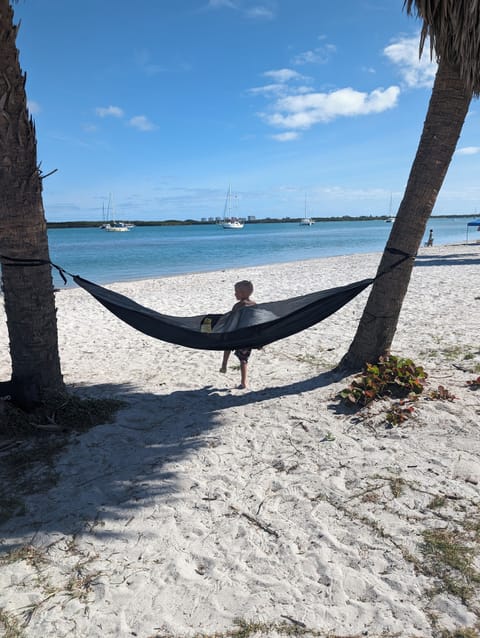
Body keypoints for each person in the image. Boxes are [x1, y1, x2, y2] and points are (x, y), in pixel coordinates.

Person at [219, 280, 256, 388]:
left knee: (227, 346)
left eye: (236, 292)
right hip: (247, 337)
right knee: (243, 360)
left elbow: (231, 319)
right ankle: (244, 382)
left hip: (237, 334)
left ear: (243, 293)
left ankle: (224, 364)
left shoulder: (238, 306)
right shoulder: (254, 305)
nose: (235, 294)